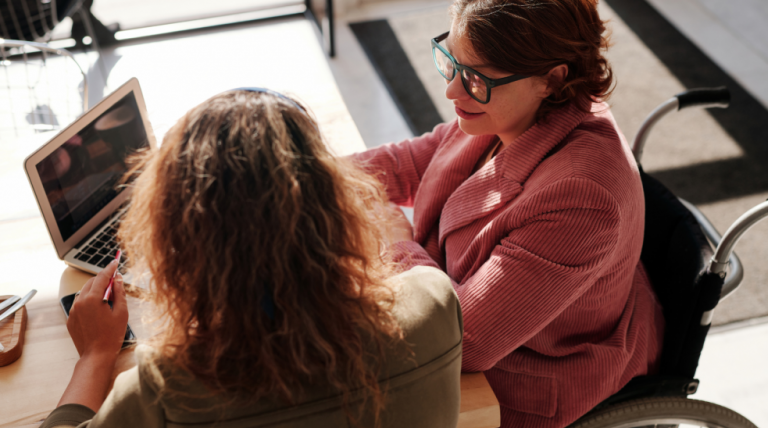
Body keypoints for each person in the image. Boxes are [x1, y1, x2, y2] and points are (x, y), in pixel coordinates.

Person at [41, 89, 463, 428]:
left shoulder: (166, 390)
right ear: (337, 203)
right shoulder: (435, 303)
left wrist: (96, 355)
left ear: (179, 243)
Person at [352, 1, 664, 427]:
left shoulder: (581, 197)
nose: (452, 91)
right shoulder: (508, 108)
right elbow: (411, 161)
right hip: (461, 321)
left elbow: (466, 341)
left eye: (476, 78)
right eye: (451, 62)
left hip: (520, 382)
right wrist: (300, 172)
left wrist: (396, 240)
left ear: (552, 79)